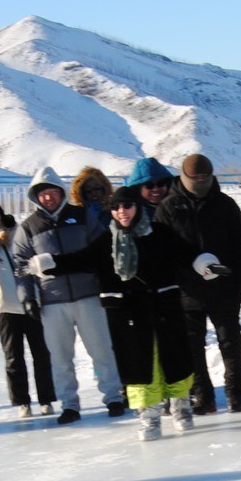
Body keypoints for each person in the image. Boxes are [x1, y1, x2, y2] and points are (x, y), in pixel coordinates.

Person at [10, 166, 126, 423]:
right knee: (60, 357)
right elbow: (20, 266)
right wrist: (27, 298)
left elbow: (101, 250)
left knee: (102, 350)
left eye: (52, 191)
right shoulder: (28, 227)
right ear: (35, 197)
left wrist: (106, 287)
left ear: (61, 192)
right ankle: (69, 404)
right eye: (42, 194)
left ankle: (113, 396)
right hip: (52, 301)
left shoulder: (82, 216)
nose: (48, 197)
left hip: (88, 295)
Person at [97, 184, 198, 441]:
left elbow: (184, 252)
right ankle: (149, 415)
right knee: (140, 364)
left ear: (137, 207)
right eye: (116, 207)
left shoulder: (160, 233)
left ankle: (181, 406)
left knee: (174, 357)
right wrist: (51, 263)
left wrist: (203, 261)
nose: (122, 212)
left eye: (127, 205)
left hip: (164, 307)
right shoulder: (106, 241)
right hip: (130, 314)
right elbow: (81, 259)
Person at [157, 154, 241, 415]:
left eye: (205, 178)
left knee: (230, 342)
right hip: (187, 291)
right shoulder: (168, 207)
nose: (200, 182)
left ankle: (235, 395)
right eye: (195, 178)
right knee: (192, 347)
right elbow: (161, 250)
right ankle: (204, 397)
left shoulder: (225, 205)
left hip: (224, 288)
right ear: (184, 178)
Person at [0, 190, 56, 418]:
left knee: (42, 354)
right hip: (5, 309)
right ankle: (21, 401)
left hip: (31, 302)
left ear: (1, 215)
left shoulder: (18, 234)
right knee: (13, 358)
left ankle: (46, 398)